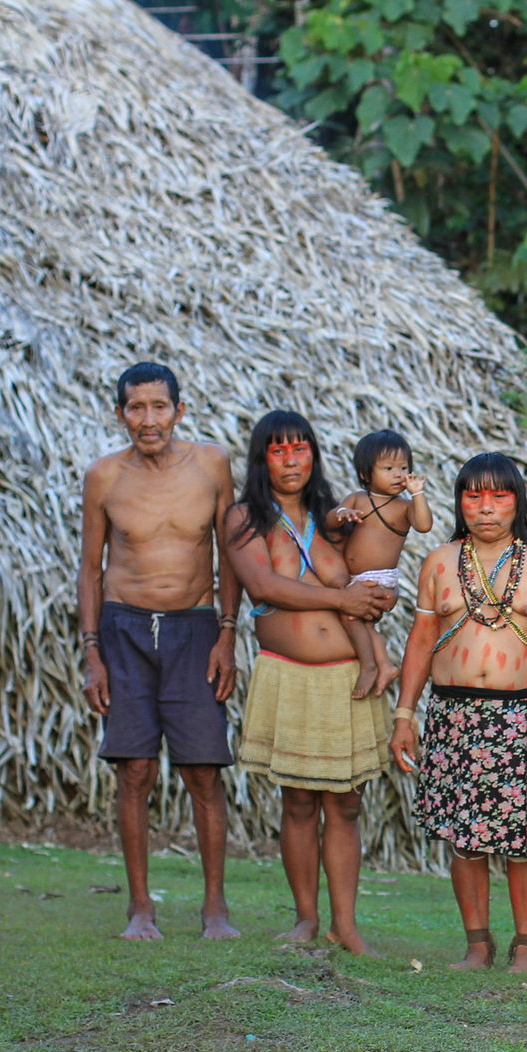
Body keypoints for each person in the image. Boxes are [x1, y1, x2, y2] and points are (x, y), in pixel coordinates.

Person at [389, 453, 527, 974]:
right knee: (462, 836)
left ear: (517, 501)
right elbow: (421, 641)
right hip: (452, 715)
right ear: (459, 502)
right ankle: (477, 944)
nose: (485, 508)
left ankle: (525, 948)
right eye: (473, 496)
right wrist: (405, 714)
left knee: (522, 839)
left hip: (523, 715)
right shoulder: (439, 562)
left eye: (498, 496)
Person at [76, 362, 242, 941]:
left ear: (180, 409)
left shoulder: (212, 465)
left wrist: (227, 634)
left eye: (159, 406)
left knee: (203, 772)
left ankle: (215, 908)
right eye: (136, 408)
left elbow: (230, 556)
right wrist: (92, 652)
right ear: (120, 413)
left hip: (195, 628)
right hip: (123, 629)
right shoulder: (103, 477)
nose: (149, 420)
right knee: (134, 770)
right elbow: (91, 571)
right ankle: (140, 908)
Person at [225, 410, 396, 955]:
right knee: (298, 802)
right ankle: (304, 918)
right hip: (288, 674)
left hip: (348, 675)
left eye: (300, 449)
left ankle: (345, 924)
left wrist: (372, 594)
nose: (291, 459)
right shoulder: (244, 518)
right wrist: (341, 599)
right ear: (262, 458)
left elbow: (369, 573)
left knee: (346, 804)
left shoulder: (336, 514)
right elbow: (262, 582)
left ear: (314, 456)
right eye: (278, 450)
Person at [328, 429, 434, 697]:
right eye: (388, 468)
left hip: (379, 578)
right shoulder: (357, 498)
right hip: (355, 579)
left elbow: (424, 525)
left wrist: (417, 495)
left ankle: (369, 666)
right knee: (363, 624)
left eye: (403, 467)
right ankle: (385, 665)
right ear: (366, 474)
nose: (398, 474)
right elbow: (329, 520)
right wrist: (342, 513)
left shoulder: (402, 507)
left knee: (350, 615)